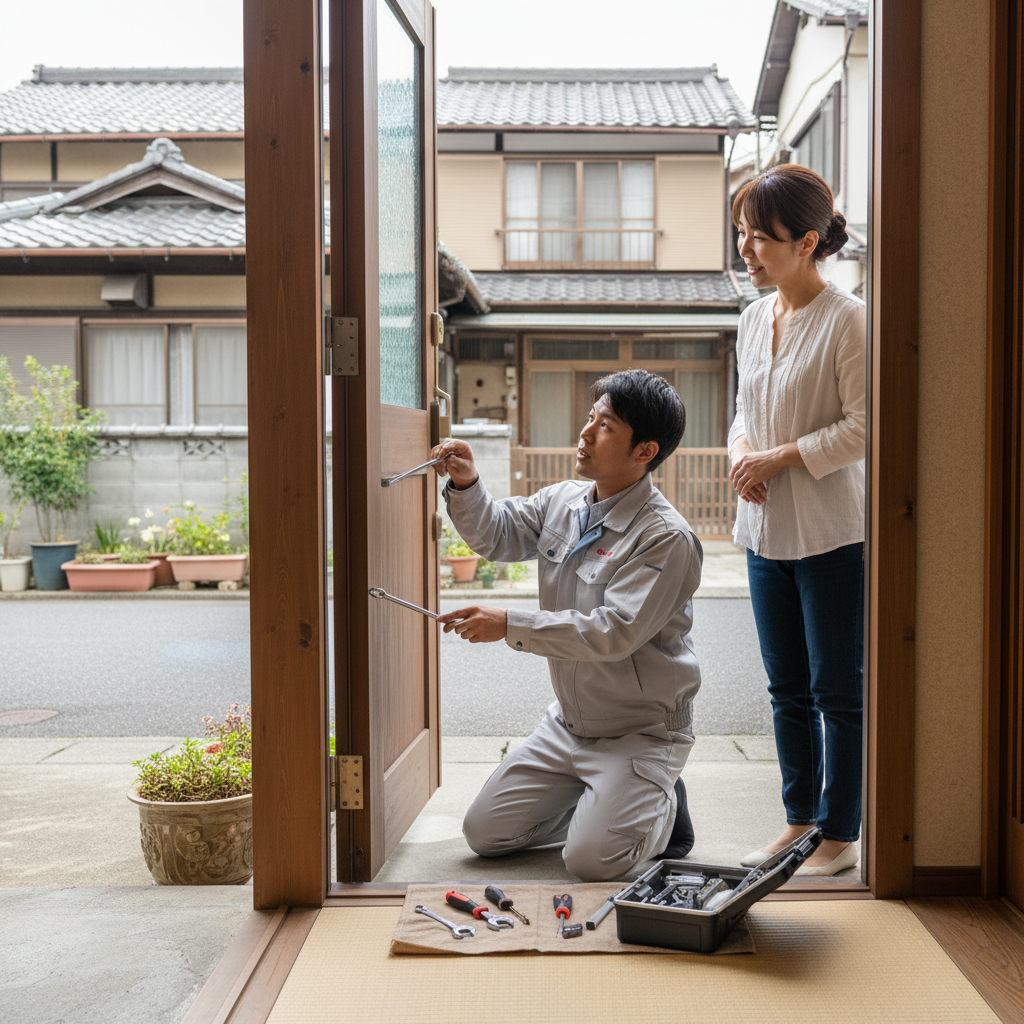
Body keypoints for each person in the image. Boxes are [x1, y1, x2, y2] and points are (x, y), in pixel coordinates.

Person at [431, 369, 702, 883]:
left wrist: (509, 623)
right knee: (485, 835)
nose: (586, 432)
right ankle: (610, 799)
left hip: (640, 732)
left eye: (606, 425)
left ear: (645, 451)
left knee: (590, 862)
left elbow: (612, 631)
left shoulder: (666, 537)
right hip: (569, 725)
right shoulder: (564, 500)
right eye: (591, 417)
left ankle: (660, 806)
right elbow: (497, 536)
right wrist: (466, 483)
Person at [729, 164, 866, 876]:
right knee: (786, 689)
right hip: (763, 533)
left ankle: (840, 836)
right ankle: (799, 821)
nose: (748, 250)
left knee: (838, 690)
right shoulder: (754, 317)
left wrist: (778, 457)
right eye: (743, 234)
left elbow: (865, 428)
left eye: (762, 237)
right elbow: (741, 416)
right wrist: (744, 452)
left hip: (832, 533)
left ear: (808, 240)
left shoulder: (850, 319)